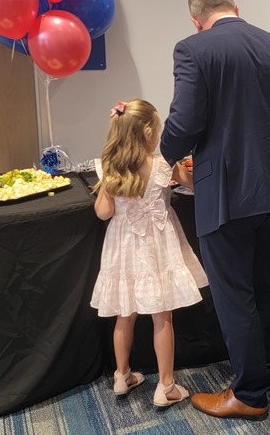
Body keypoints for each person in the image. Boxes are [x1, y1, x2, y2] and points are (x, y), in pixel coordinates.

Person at [160, 0, 270, 419]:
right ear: (235, 6)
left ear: (196, 20)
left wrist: (164, 151)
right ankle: (260, 370)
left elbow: (185, 123)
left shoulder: (193, 49)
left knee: (234, 293)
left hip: (228, 191)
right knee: (269, 284)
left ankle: (249, 394)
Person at [89, 99, 208, 408]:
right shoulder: (163, 164)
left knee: (123, 314)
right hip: (157, 248)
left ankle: (121, 374)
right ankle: (166, 385)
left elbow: (103, 213)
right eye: (158, 130)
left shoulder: (110, 168)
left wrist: (106, 185)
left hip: (123, 248)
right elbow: (196, 187)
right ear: (146, 133)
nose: (160, 135)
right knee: (162, 317)